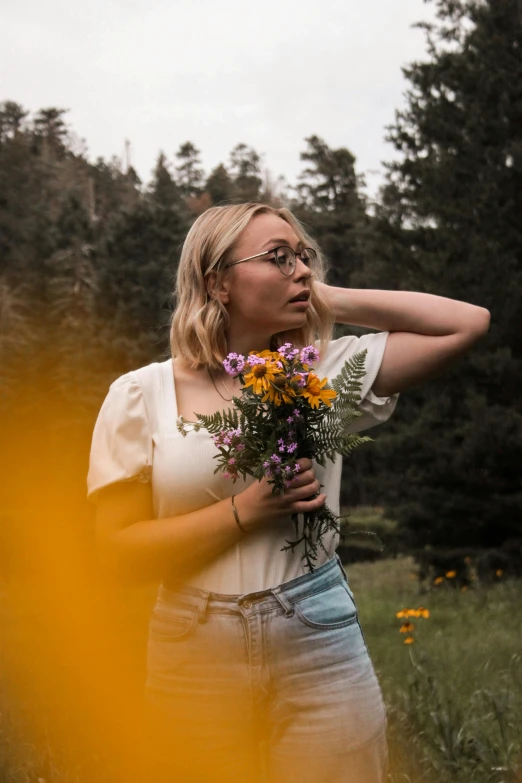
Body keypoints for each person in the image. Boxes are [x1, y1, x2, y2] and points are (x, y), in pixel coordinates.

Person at [87, 202, 489, 783]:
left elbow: (468, 322)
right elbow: (116, 552)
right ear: (217, 282)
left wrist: (326, 297)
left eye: (304, 257)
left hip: (318, 634)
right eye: (278, 258)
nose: (300, 269)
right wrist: (246, 510)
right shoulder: (140, 395)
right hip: (192, 646)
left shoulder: (319, 370)